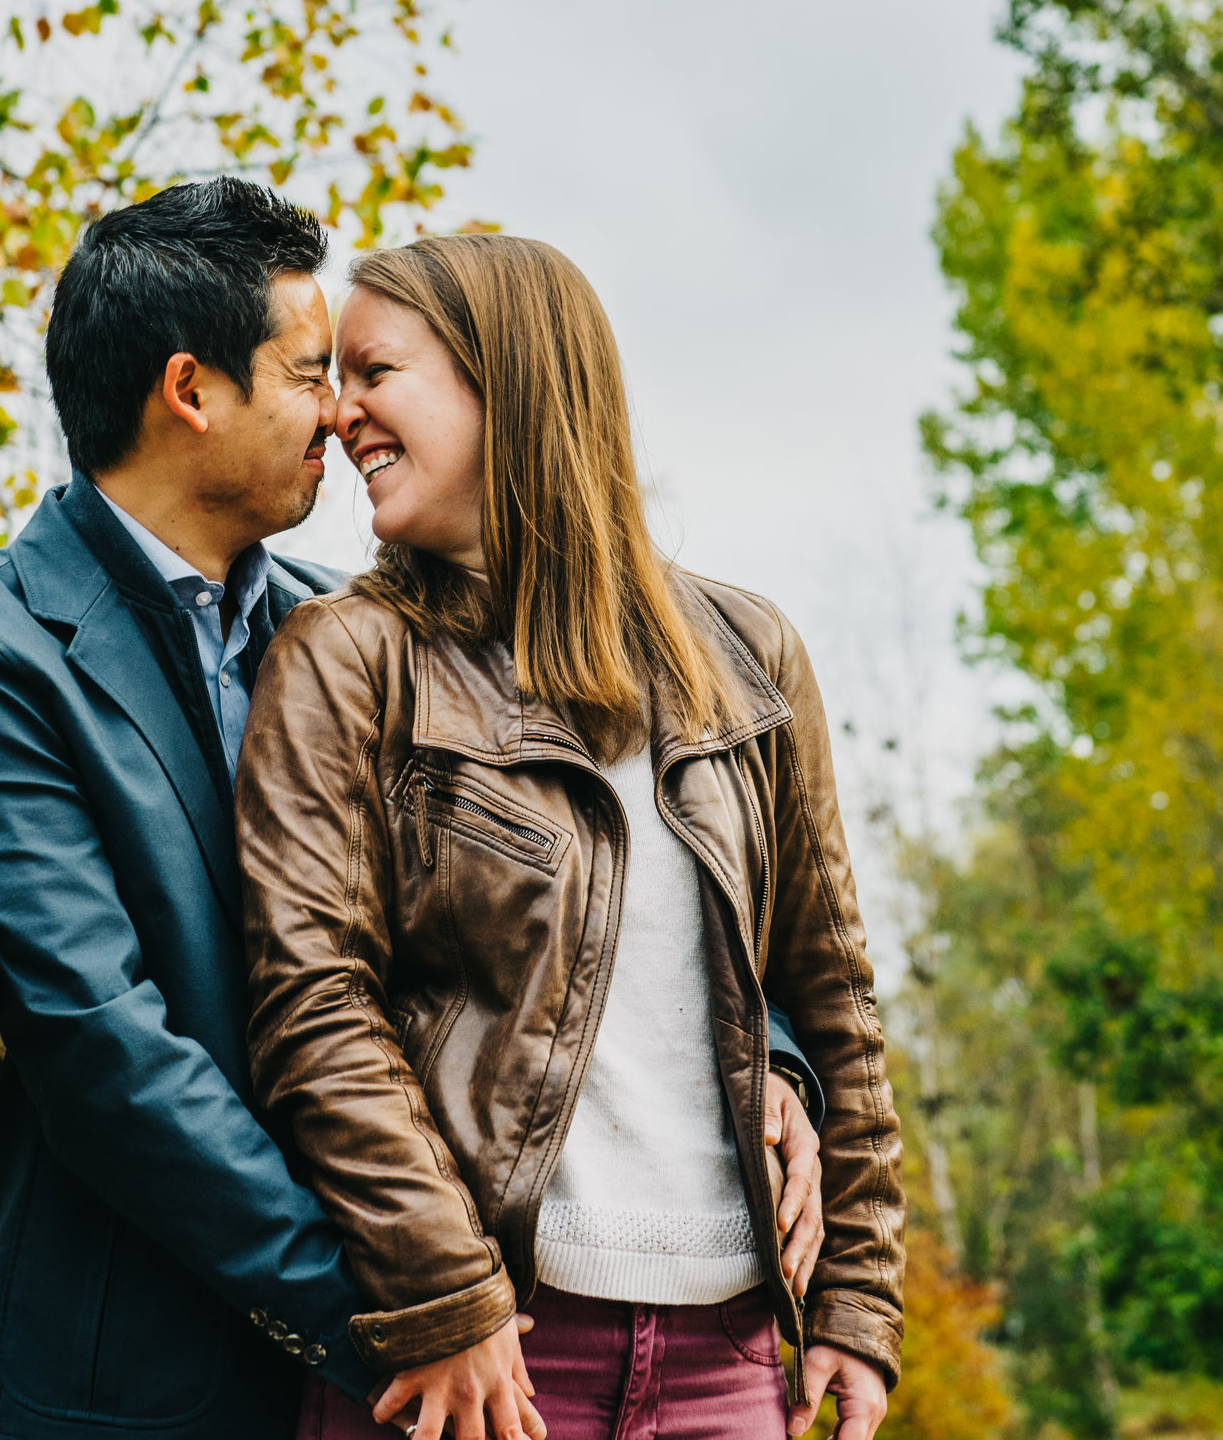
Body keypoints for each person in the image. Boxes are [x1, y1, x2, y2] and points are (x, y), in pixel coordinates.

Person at [0, 181, 828, 1440]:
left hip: (384, 1376)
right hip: (139, 1383)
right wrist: (401, 1298)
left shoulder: (351, 633)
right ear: (191, 391)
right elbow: (101, 1045)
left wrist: (767, 1053)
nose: (339, 409)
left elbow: (593, 891)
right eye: (306, 370)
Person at [235, 234, 903, 1440]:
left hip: (731, 1357)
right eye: (333, 379)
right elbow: (312, 1003)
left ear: (509, 379)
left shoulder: (752, 660)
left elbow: (832, 992)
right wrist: (444, 1287)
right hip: (474, 1352)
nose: (337, 414)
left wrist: (858, 1293)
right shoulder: (346, 659)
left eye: (374, 370)